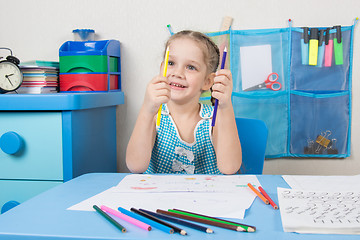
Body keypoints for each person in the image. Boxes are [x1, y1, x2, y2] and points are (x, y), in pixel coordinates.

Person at [126, 30, 241, 175]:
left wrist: (225, 106)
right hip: (159, 197)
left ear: (207, 81)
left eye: (190, 67)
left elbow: (230, 167)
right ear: (162, 68)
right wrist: (147, 108)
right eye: (171, 63)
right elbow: (135, 166)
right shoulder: (155, 115)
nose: (177, 73)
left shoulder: (215, 118)